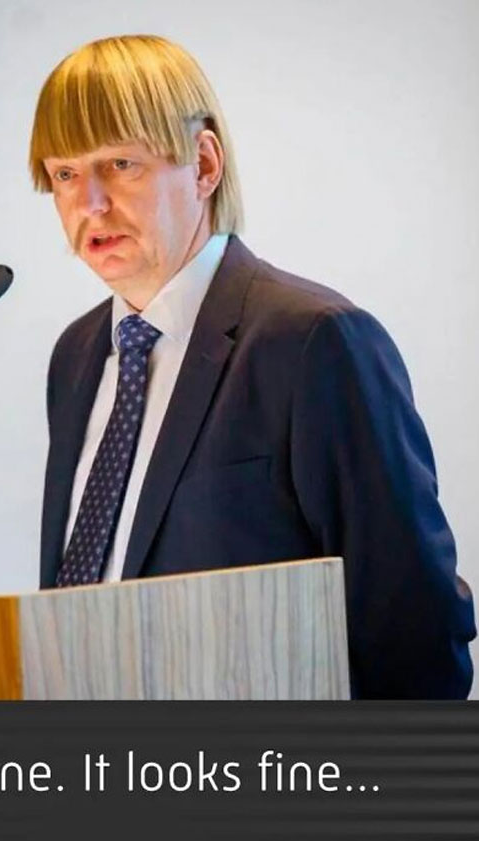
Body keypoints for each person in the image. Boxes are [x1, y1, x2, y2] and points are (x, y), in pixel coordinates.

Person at [28, 34, 475, 698]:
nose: (88, 203)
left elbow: (415, 637)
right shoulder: (76, 356)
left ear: (204, 164)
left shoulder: (315, 342)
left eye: (120, 163)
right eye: (65, 174)